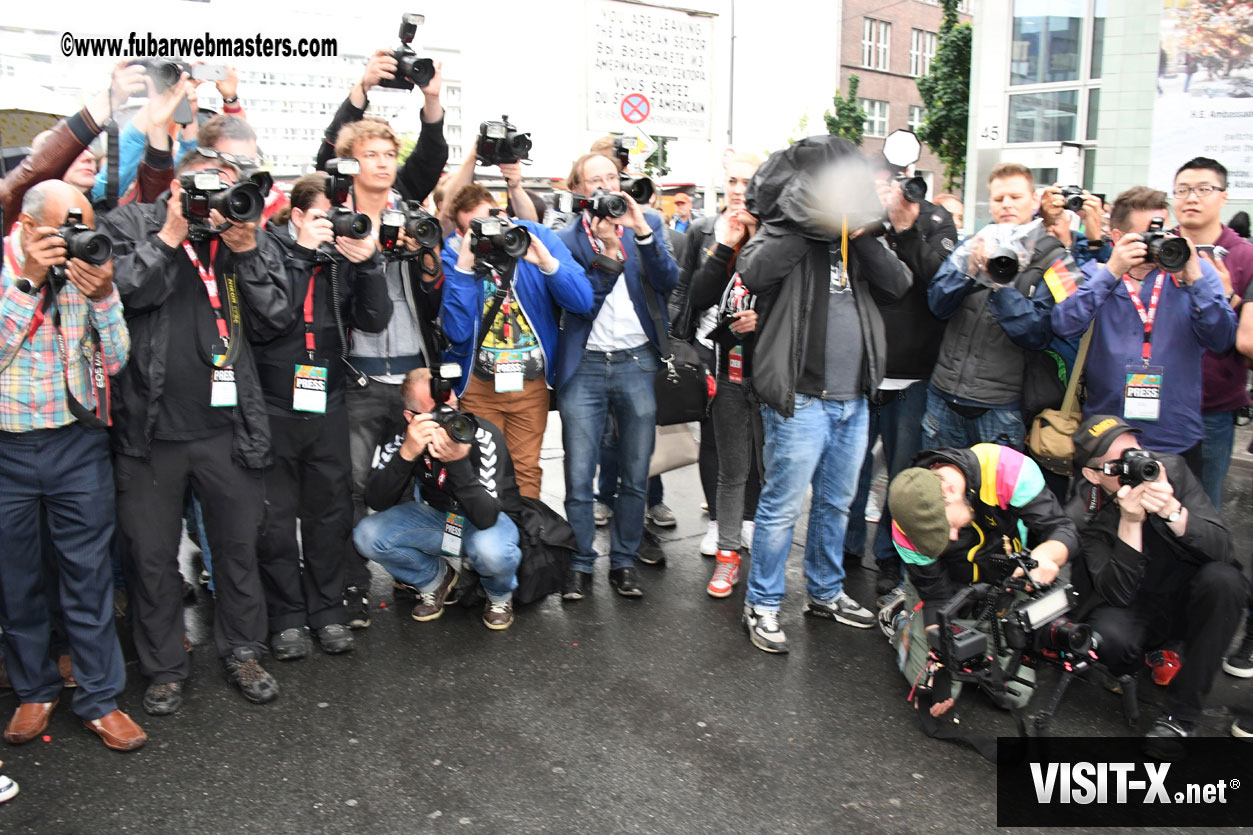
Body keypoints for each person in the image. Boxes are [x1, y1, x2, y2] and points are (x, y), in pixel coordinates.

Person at [98, 151, 291, 714]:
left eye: (227, 188)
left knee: (235, 548)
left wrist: (247, 251)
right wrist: (170, 235)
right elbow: (121, 294)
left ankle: (244, 650)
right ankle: (163, 667)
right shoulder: (133, 222)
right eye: (206, 186)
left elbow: (274, 319)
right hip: (150, 431)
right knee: (152, 558)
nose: (218, 198)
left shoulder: (241, 229)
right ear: (179, 185)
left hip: (227, 428)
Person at [736, 135, 912, 653]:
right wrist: (809, 221)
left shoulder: (860, 236)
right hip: (801, 398)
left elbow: (897, 284)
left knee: (837, 503)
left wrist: (856, 233)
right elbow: (754, 271)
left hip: (853, 399)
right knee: (781, 508)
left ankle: (825, 592)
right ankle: (763, 603)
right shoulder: (784, 231)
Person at [0, 181, 145, 751]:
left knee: (87, 580)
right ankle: (34, 691)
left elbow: (115, 359)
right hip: (8, 448)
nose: (77, 239)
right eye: (66, 228)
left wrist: (105, 295)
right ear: (31, 228)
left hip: (77, 444)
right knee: (19, 582)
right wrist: (29, 283)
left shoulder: (85, 270)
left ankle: (99, 699)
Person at [322, 89, 448, 626]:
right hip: (360, 376)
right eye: (370, 154)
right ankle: (353, 590)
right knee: (352, 486)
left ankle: (413, 572)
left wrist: (425, 258)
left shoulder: (412, 216)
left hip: (415, 373)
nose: (381, 163)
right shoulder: (333, 222)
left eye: (387, 155)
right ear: (352, 164)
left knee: (420, 476)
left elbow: (433, 294)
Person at [254, 173, 392, 657]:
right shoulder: (267, 251)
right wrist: (301, 257)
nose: (328, 228)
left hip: (329, 397)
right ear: (295, 217)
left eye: (332, 219)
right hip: (274, 403)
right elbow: (272, 318)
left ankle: (327, 609)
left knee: (329, 513)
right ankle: (286, 615)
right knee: (274, 520)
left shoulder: (341, 258)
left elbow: (374, 320)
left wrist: (370, 263)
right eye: (318, 218)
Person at [1068, 415, 1245, 739]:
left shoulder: (1170, 470)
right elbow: (1116, 593)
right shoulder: (1084, 512)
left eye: (1135, 454)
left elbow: (1224, 550)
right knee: (1110, 640)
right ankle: (1141, 660)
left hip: (1184, 596)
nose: (1134, 469)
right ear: (1093, 474)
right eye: (1117, 465)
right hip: (1132, 605)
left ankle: (1180, 717)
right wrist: (1130, 522)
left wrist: (1173, 512)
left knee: (1225, 582)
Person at [554, 153, 679, 600]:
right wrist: (607, 251)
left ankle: (623, 562)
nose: (607, 185)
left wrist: (641, 231)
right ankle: (581, 562)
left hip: (637, 362)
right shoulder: (565, 240)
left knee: (635, 472)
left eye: (612, 177)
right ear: (580, 190)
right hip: (584, 365)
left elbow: (668, 280)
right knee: (579, 474)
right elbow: (577, 303)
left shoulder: (648, 225)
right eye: (595, 179)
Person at [1050, 187, 1236, 478]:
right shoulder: (1093, 273)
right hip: (1108, 437)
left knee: (1181, 522)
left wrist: (1195, 280)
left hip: (1176, 436)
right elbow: (1063, 324)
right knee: (1104, 524)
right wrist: (1111, 271)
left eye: (1162, 235)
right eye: (1146, 237)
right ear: (1117, 238)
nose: (1156, 245)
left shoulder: (1194, 272)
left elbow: (1223, 338)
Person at [886, 443, 1078, 721]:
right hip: (943, 589)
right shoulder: (906, 521)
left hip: (1000, 587)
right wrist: (938, 663)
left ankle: (975, 636)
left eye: (948, 528)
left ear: (949, 491)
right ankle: (904, 622)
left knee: (1014, 694)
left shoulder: (1009, 471)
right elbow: (937, 596)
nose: (952, 538)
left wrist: (1047, 555)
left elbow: (1063, 529)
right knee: (940, 687)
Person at [846, 164, 958, 611]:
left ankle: (888, 558)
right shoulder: (860, 219)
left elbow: (938, 282)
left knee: (903, 476)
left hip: (912, 377)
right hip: (862, 373)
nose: (892, 189)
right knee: (850, 470)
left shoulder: (935, 220)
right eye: (883, 180)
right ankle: (846, 547)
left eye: (900, 180)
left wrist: (908, 228)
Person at [439, 184, 590, 498]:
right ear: (461, 232)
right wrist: (465, 269)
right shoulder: (454, 255)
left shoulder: (534, 237)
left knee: (526, 472)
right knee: (484, 472)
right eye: (475, 229)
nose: (489, 235)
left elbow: (582, 301)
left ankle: (528, 543)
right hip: (478, 385)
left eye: (492, 221)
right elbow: (456, 332)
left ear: (503, 214)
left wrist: (547, 264)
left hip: (529, 383)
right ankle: (492, 544)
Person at [353, 367, 524, 630]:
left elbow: (486, 517)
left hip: (488, 524)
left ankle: (498, 595)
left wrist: (457, 463)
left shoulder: (482, 434)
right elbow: (377, 500)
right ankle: (435, 580)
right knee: (367, 534)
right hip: (444, 522)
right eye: (437, 413)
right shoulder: (404, 436)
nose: (449, 418)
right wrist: (407, 453)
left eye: (452, 406)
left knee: (491, 551)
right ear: (411, 417)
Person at [924, 163, 1077, 452]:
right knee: (940, 491)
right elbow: (937, 305)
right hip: (944, 397)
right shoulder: (971, 244)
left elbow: (1039, 333)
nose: (1006, 204)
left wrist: (1000, 284)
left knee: (994, 496)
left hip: (1001, 407)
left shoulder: (1055, 258)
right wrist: (968, 270)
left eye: (1015, 197)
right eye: (998, 199)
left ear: (1034, 201)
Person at [672, 154, 764, 560]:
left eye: (748, 181)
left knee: (756, 441)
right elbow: (689, 291)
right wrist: (682, 344)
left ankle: (747, 518)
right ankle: (716, 522)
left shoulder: (773, 234)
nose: (739, 190)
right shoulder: (703, 229)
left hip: (759, 353)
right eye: (733, 181)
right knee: (714, 440)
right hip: (712, 349)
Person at [1171, 158, 1253, 510]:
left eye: (1204, 189)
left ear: (1224, 197)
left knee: (1204, 513)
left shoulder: (1245, 256)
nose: (1192, 197)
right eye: (1183, 190)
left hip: (1213, 409)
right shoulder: (1157, 249)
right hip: (1153, 405)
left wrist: (1227, 296)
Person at [0, 60, 146, 228]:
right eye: (74, 152)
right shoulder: (22, 212)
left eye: (89, 150)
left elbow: (131, 146)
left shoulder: (99, 197)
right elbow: (31, 175)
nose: (89, 157)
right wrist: (109, 99)